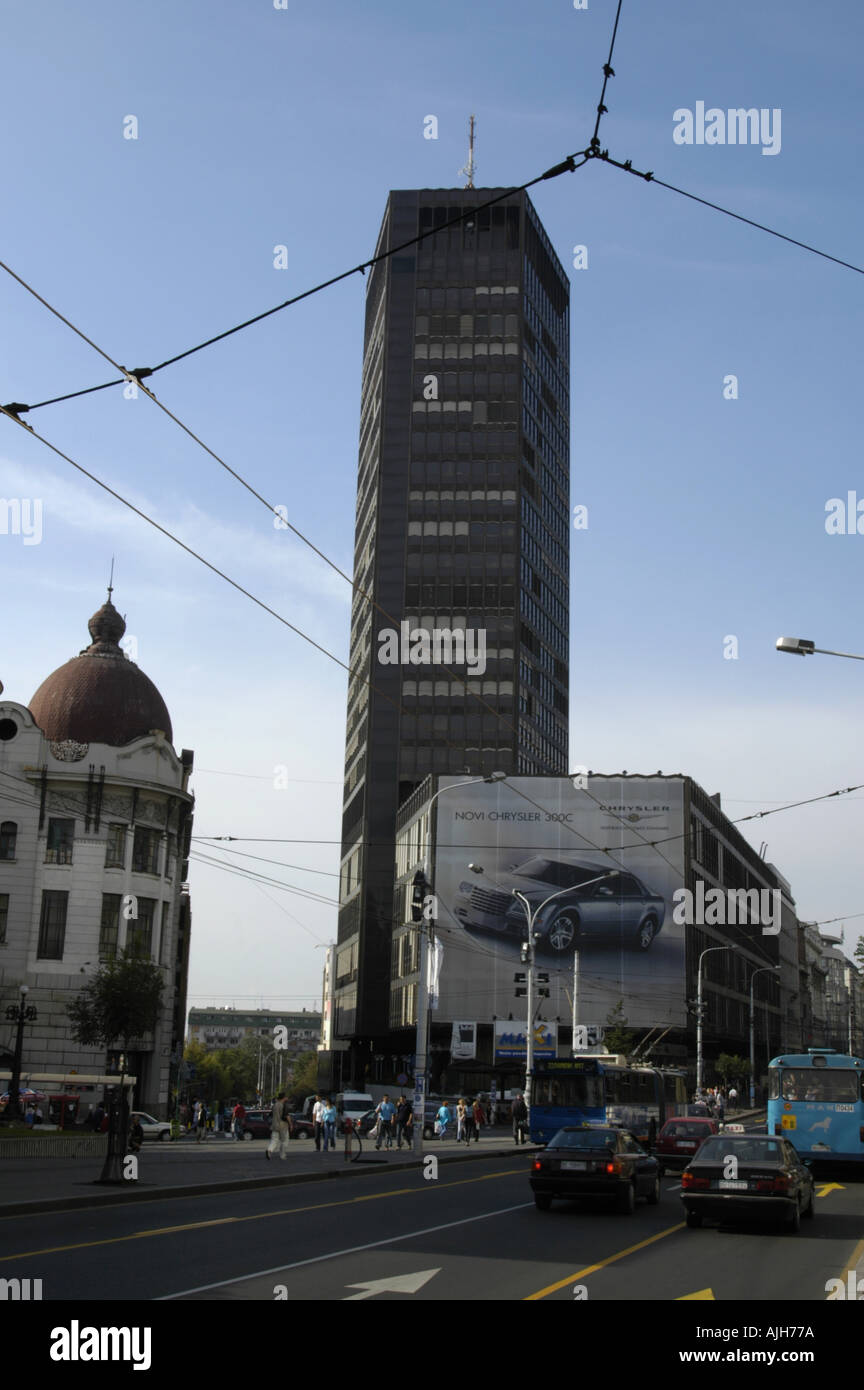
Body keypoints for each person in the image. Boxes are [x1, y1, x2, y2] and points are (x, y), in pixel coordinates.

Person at [266, 1092, 292, 1161]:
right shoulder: (284, 1105)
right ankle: (282, 1155)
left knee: (274, 1140)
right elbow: (287, 1115)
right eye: (286, 1097)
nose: (287, 1098)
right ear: (284, 1098)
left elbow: (270, 1115)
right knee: (284, 1141)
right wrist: (291, 1124)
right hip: (283, 1125)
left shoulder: (274, 1105)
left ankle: (269, 1150)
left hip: (274, 1125)